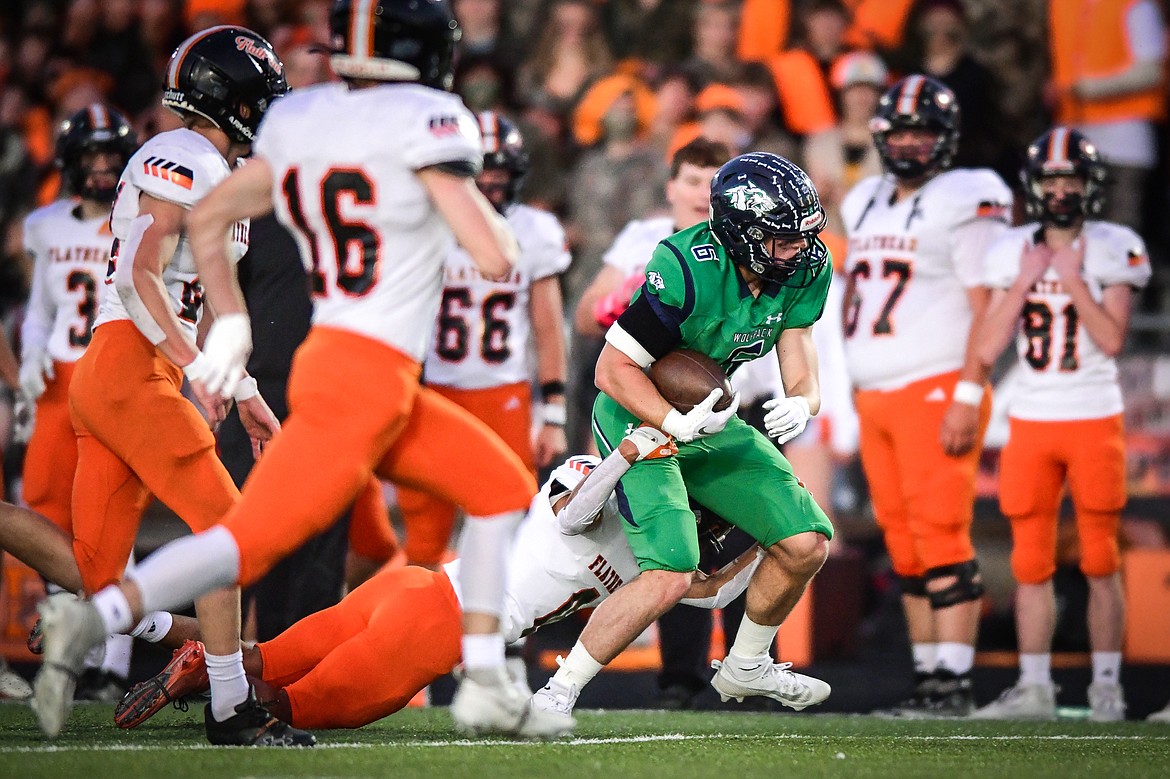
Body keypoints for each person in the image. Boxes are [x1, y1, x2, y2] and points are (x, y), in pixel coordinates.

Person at [37, 0, 562, 740]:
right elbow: (495, 255)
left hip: (340, 366)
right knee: (242, 537)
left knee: (498, 487)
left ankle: (482, 678)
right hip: (359, 373)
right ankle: (121, 631)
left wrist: (236, 353)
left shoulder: (303, 125)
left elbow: (214, 224)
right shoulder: (420, 121)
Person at [116, 426, 764, 730]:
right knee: (289, 708)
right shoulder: (592, 474)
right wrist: (624, 456)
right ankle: (202, 672)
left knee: (260, 660)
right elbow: (578, 510)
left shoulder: (660, 561)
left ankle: (175, 644)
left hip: (411, 589)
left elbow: (711, 589)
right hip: (435, 623)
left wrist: (778, 540)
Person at [29, 26, 302, 747]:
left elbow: (205, 302)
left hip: (123, 369)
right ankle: (229, 707)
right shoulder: (182, 156)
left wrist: (241, 390)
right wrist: (194, 363)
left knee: (93, 568)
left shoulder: (214, 171)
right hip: (129, 365)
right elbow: (138, 274)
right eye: (260, 97)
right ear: (231, 98)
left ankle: (134, 627)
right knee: (228, 532)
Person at [532, 152, 835, 728]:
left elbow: (800, 353)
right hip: (638, 415)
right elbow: (612, 371)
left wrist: (803, 400)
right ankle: (557, 692)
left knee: (806, 542)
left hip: (710, 416)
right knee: (671, 570)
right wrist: (670, 425)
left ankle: (746, 665)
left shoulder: (801, 268)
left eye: (801, 236)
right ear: (739, 234)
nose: (798, 251)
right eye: (780, 240)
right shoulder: (686, 265)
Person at [840, 75, 1011, 716]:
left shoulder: (968, 195)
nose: (911, 143)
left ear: (946, 139)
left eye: (923, 132)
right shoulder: (863, 200)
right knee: (905, 544)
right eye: (901, 131)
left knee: (941, 534)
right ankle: (928, 679)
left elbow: (987, 305)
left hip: (937, 384)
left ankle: (956, 683)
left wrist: (970, 388)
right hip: (877, 392)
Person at [971, 127, 1150, 723]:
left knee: (1101, 557)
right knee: (1029, 562)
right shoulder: (1012, 252)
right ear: (1036, 186)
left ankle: (1105, 687)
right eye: (1053, 179)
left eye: (1071, 177)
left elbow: (1113, 338)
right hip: (1032, 417)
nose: (1062, 189)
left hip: (1094, 416)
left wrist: (1071, 277)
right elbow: (988, 343)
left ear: (1091, 184)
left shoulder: (1115, 244)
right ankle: (1036, 687)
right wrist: (1026, 280)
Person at [572, 136, 730, 707]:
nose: (704, 192)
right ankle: (681, 679)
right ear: (671, 186)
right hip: (655, 409)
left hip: (734, 409)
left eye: (716, 180)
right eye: (693, 179)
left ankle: (746, 673)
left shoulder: (751, 246)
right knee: (677, 543)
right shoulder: (645, 237)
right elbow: (589, 312)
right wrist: (623, 303)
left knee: (746, 541)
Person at [398, 111, 569, 569]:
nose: (492, 187)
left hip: (503, 393)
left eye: (501, 178)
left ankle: (497, 627)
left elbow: (548, 324)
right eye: (483, 177)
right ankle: (414, 625)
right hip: (434, 387)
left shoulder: (534, 230)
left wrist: (553, 410)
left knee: (509, 516)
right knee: (426, 524)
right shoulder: (427, 221)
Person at [19, 104, 138, 699]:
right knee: (41, 507)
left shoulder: (138, 215)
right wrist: (31, 355)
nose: (101, 168)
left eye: (111, 157)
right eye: (90, 157)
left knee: (111, 518)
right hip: (57, 386)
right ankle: (72, 643)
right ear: (69, 163)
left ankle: (111, 664)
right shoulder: (46, 225)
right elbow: (41, 312)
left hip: (112, 374)